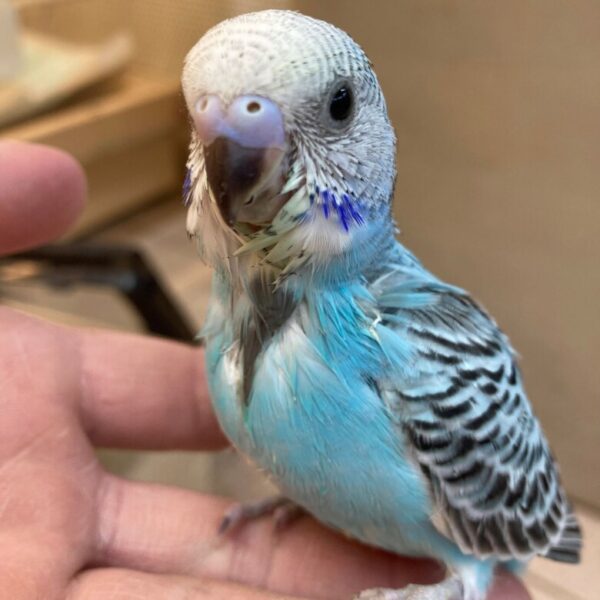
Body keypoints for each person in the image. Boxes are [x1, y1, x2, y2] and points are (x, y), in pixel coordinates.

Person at [0, 140, 528, 599]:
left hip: (473, 541)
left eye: (336, 109)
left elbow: (494, 501)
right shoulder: (227, 319)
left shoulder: (423, 343)